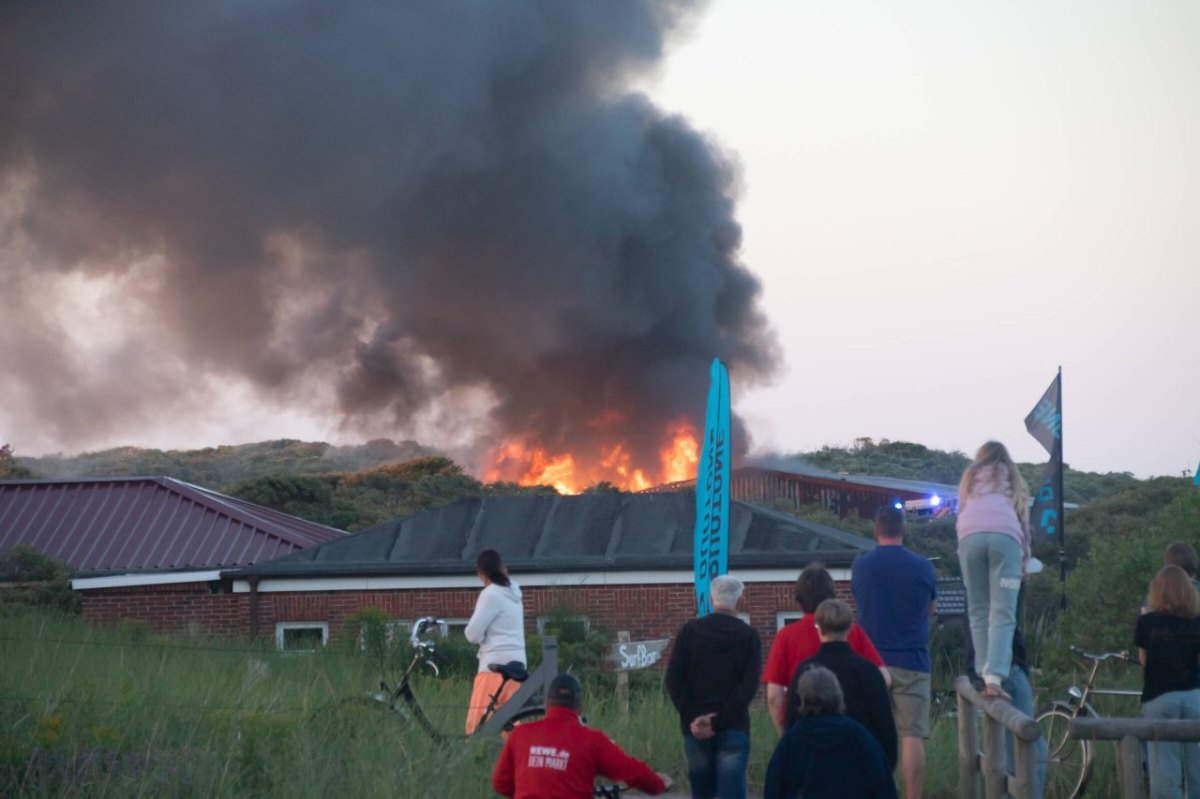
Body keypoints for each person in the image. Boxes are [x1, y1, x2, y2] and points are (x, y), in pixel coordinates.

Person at [851, 506, 937, 799]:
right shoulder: (923, 566)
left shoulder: (861, 566)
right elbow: (931, 609)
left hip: (871, 663)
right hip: (912, 661)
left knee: (872, 735)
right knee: (912, 736)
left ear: (875, 530)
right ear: (905, 529)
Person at [492, 673, 670, 799]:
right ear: (579, 707)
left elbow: (500, 783)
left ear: (546, 704)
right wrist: (658, 783)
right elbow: (631, 771)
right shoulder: (592, 740)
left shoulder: (520, 735)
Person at [665, 574, 762, 799]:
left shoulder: (690, 632)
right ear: (740, 600)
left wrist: (693, 716)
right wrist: (718, 721)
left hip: (695, 727)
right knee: (732, 792)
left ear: (710, 599)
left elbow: (673, 679)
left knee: (702, 792)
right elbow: (748, 687)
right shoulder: (749, 636)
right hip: (734, 726)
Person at [763, 563, 889, 735]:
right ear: (831, 595)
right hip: (850, 727)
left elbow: (773, 696)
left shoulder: (785, 636)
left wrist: (785, 735)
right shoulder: (852, 631)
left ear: (799, 598)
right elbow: (883, 678)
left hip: (804, 728)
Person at [955, 441, 1031, 702]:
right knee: (1003, 612)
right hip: (1005, 538)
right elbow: (1023, 522)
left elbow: (961, 511)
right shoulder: (1013, 477)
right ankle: (995, 677)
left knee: (977, 609)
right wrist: (1024, 561)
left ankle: (981, 672)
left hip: (969, 537)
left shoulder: (969, 477)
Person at [787, 599, 897, 771]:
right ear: (850, 628)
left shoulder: (805, 670)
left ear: (818, 628)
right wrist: (886, 765)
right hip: (861, 763)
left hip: (814, 764)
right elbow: (884, 723)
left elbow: (792, 720)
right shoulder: (869, 670)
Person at [763, 665, 898, 799]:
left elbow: (773, 788)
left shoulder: (792, 740)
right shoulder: (858, 736)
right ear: (838, 694)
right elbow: (882, 784)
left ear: (801, 698)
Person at [964, 584, 1046, 798]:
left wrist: (976, 674)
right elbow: (1005, 622)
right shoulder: (1004, 580)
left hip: (987, 670)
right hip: (1006, 671)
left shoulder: (978, 581)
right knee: (1029, 752)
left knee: (1010, 755)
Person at [1135, 565, 1200, 799]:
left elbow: (1143, 660)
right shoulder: (1197, 621)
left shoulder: (1146, 622)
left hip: (1159, 695)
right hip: (1193, 695)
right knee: (1196, 764)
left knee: (1163, 766)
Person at [464, 548, 526, 734]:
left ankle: (473, 752)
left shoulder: (490, 594)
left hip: (493, 668)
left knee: (477, 725)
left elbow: (472, 634)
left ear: (481, 573)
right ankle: (519, 750)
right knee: (509, 723)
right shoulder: (514, 594)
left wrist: (483, 637)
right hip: (517, 667)